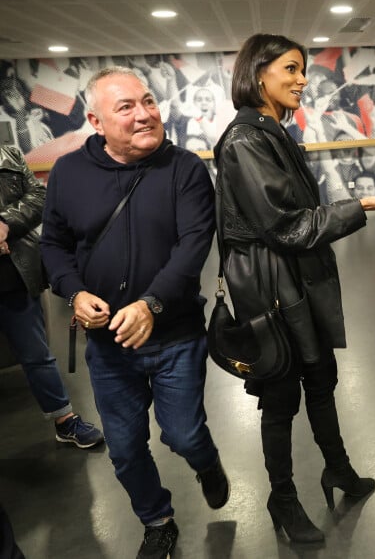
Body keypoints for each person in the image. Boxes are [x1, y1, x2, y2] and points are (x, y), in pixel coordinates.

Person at [213, 33, 375, 544]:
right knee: (281, 396)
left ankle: (338, 470)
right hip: (270, 288)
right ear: (259, 73)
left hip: (297, 281)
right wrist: (367, 205)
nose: (303, 79)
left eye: (303, 69)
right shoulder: (244, 139)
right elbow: (287, 226)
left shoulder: (271, 131)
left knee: (321, 379)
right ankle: (282, 498)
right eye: (291, 69)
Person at [40, 66, 229, 558]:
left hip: (176, 338)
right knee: (124, 450)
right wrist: (74, 293)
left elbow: (193, 246)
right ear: (96, 121)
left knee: (184, 435)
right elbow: (55, 246)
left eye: (148, 101)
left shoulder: (185, 168)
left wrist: (152, 303)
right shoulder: (68, 173)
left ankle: (205, 461)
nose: (145, 114)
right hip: (107, 348)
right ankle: (157, 519)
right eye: (126, 107)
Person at [0, 144, 103, 448]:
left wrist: (5, 224)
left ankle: (65, 420)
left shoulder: (9, 155)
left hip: (12, 276)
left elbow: (38, 197)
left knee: (37, 355)